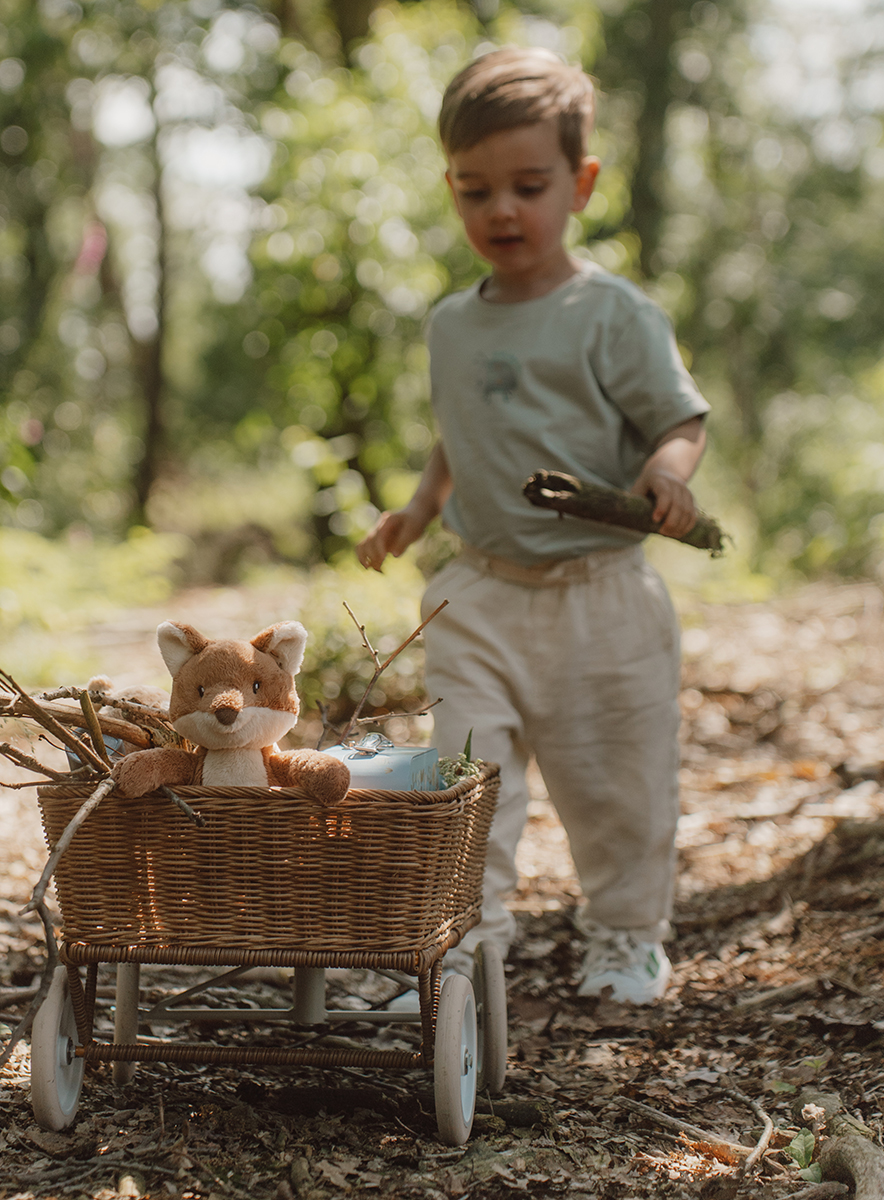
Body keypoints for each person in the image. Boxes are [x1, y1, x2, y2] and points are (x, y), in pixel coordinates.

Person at [356, 46, 709, 1005]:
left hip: (604, 598)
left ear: (581, 183)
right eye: (475, 191)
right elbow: (457, 434)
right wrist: (417, 510)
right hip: (480, 591)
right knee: (467, 780)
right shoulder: (450, 326)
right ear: (451, 189)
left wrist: (666, 476)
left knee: (618, 788)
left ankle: (627, 936)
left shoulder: (612, 316)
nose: (501, 211)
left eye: (528, 185)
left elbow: (680, 417)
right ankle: (464, 943)